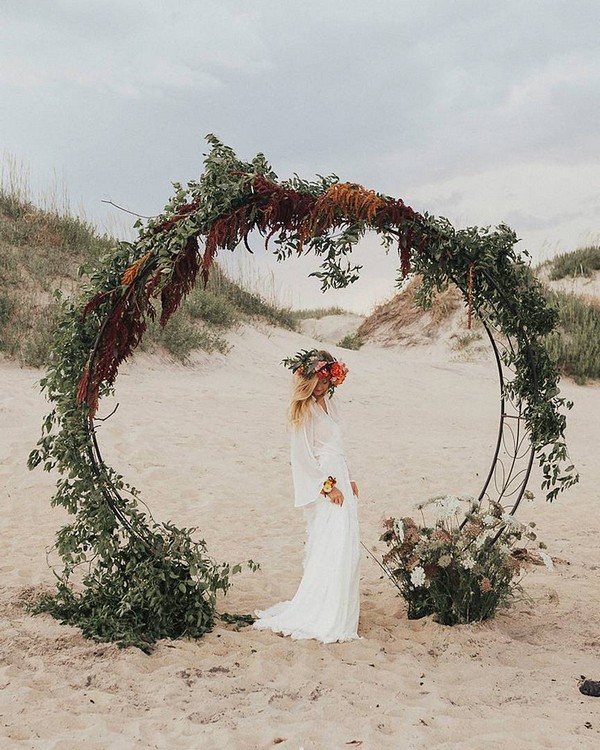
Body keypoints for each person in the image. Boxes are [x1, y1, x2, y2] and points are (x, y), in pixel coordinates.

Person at [252, 349, 361, 643]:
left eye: (327, 382)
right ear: (308, 379)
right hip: (325, 482)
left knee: (345, 545)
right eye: (318, 381)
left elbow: (338, 445)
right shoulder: (304, 411)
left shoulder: (332, 406)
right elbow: (302, 458)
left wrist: (349, 478)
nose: (322, 387)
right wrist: (327, 487)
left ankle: (339, 606)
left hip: (340, 474)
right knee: (330, 543)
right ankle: (323, 610)